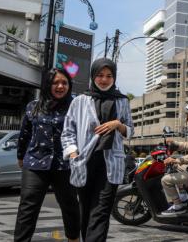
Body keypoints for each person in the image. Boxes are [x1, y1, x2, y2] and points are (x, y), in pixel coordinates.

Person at [61, 58, 133, 242]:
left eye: (109, 76)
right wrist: (73, 154)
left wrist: (118, 124)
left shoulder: (122, 101)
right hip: (85, 161)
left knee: (101, 210)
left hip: (110, 161)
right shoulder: (80, 101)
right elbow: (68, 131)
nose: (104, 80)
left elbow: (130, 131)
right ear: (93, 76)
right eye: (100, 75)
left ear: (114, 78)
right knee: (86, 209)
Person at [14, 69, 80, 242]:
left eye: (64, 83)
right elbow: (25, 134)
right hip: (35, 163)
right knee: (27, 206)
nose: (60, 86)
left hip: (64, 165)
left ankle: (73, 238)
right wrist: (21, 156)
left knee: (70, 206)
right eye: (55, 82)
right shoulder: (33, 106)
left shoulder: (75, 107)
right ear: (47, 85)